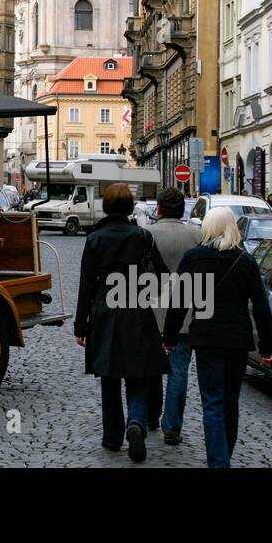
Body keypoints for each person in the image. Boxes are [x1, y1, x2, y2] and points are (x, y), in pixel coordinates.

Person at [163, 207, 272, 469]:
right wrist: (267, 346)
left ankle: (219, 461)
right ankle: (224, 454)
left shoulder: (194, 258)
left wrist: (170, 337)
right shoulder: (245, 261)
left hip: (207, 338)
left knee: (212, 401)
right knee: (230, 400)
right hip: (237, 339)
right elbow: (261, 306)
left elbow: (178, 302)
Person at [75, 183, 169, 462]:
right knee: (137, 374)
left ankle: (112, 437)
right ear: (130, 207)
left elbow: (86, 285)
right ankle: (137, 422)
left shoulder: (95, 239)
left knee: (109, 376)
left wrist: (81, 326)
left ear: (105, 206)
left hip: (105, 310)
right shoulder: (142, 236)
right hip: (136, 308)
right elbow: (162, 274)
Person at [145, 187, 199, 446]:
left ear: (160, 208)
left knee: (151, 368)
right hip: (187, 315)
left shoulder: (148, 234)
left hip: (152, 312)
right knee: (179, 373)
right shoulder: (196, 235)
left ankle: (151, 416)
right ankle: (172, 427)